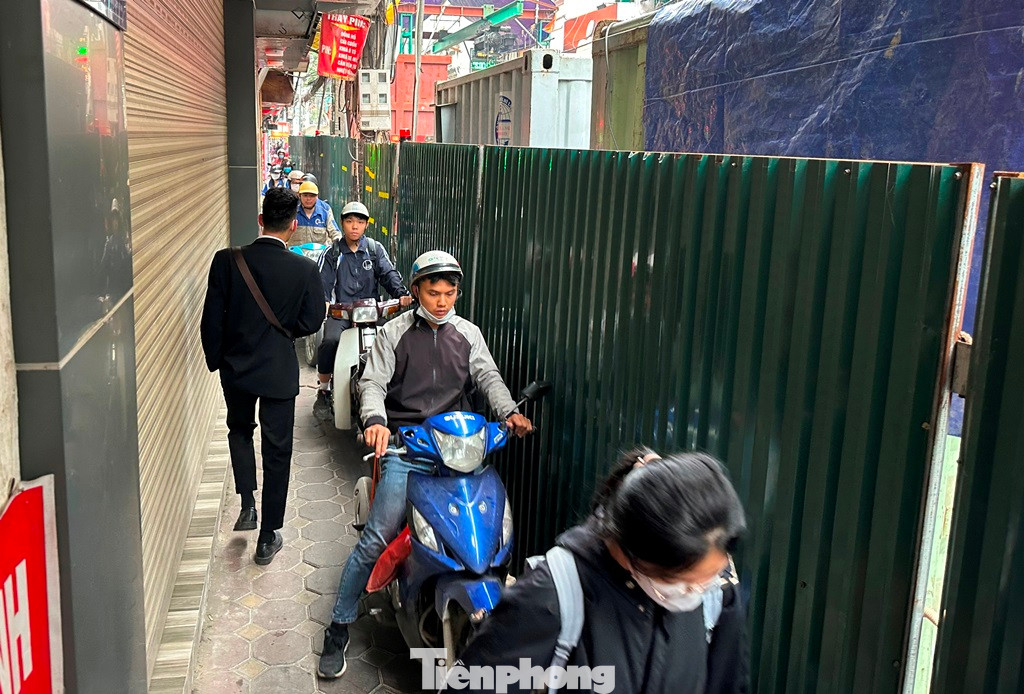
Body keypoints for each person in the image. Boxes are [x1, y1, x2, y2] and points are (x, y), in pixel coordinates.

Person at [317, 250, 534, 679]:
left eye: (449, 294)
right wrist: (375, 421)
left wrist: (509, 412)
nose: (442, 301)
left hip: (460, 449)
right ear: (416, 291)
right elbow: (373, 383)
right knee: (376, 538)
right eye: (433, 293)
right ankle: (338, 626)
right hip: (409, 450)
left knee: (489, 535)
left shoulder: (468, 333)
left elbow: (488, 377)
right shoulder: (394, 333)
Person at [454, 447, 750, 693]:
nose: (698, 592)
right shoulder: (555, 594)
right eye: (684, 583)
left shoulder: (717, 591)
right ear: (634, 554)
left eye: (709, 578)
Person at [200, 188, 326, 566]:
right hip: (278, 372)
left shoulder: (227, 260)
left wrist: (218, 361)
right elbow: (312, 320)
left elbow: (211, 319)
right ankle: (268, 536)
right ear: (293, 225)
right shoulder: (304, 269)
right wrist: (283, 335)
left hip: (236, 369)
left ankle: (247, 504)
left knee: (239, 430)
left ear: (260, 220)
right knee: (277, 450)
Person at [311, 201, 412, 420]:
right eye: (349, 221)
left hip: (372, 312)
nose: (354, 226)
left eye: (359, 222)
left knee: (393, 341)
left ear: (366, 225)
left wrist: (401, 294)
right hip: (341, 313)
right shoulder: (332, 253)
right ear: (342, 224)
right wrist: (324, 302)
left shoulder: (374, 249)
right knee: (329, 341)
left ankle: (395, 387)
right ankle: (324, 389)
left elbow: (388, 274)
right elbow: (323, 283)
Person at [291, 180, 340, 248]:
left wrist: (337, 243)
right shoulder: (292, 209)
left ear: (317, 196)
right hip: (295, 253)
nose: (308, 199)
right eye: (305, 195)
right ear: (299, 195)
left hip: (318, 253)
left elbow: (335, 232)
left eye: (312, 196)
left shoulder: (325, 210)